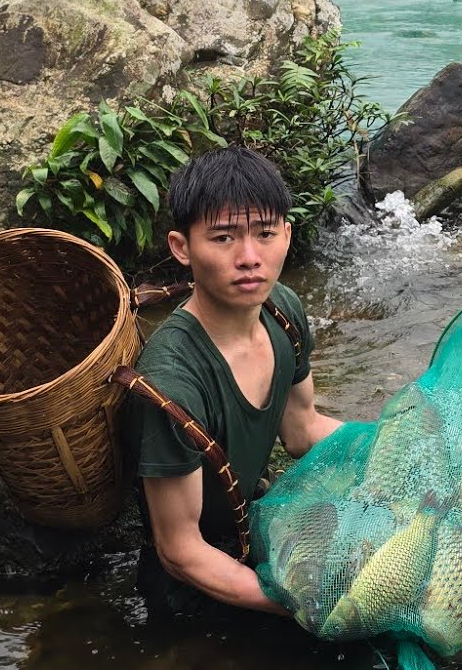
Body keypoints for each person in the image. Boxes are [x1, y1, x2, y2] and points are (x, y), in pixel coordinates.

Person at [122, 146, 341, 617]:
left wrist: (391, 441)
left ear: (286, 234)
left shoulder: (282, 310)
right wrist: (304, 608)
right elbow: (180, 551)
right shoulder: (171, 382)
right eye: (222, 239)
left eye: (265, 234)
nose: (249, 258)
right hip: (198, 586)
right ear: (182, 248)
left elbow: (302, 431)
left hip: (258, 525)